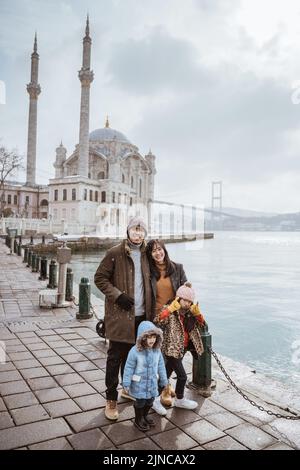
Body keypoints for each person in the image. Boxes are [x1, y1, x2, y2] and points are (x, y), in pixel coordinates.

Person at [94, 216, 152, 421]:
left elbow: (163, 270)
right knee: (115, 357)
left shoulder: (147, 253)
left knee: (133, 357)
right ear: (127, 231)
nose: (137, 233)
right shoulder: (114, 253)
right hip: (120, 315)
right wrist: (118, 296)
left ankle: (127, 388)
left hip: (141, 316)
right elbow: (99, 278)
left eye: (141, 230)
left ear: (145, 233)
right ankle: (111, 398)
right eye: (134, 229)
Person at [146, 239, 187, 415]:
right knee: (159, 359)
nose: (157, 253)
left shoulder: (177, 268)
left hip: (175, 319)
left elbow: (185, 292)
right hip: (157, 320)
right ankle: (159, 393)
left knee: (172, 356)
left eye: (160, 249)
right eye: (153, 251)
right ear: (150, 254)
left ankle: (166, 389)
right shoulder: (148, 272)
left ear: (164, 250)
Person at [155, 281, 205, 410]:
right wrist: (170, 309)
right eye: (185, 300)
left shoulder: (190, 313)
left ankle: (154, 399)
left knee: (165, 374)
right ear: (178, 298)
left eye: (190, 301)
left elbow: (203, 326)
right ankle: (180, 399)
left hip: (182, 349)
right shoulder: (170, 311)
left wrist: (198, 314)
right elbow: (158, 321)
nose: (187, 303)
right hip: (171, 349)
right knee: (182, 376)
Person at [122, 320, 168, 431]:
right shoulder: (134, 351)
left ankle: (145, 415)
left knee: (150, 400)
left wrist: (164, 380)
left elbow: (161, 366)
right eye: (149, 337)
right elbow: (128, 368)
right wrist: (126, 383)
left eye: (154, 337)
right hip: (139, 384)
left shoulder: (157, 351)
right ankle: (138, 419)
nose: (152, 340)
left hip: (152, 383)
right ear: (142, 338)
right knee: (140, 402)